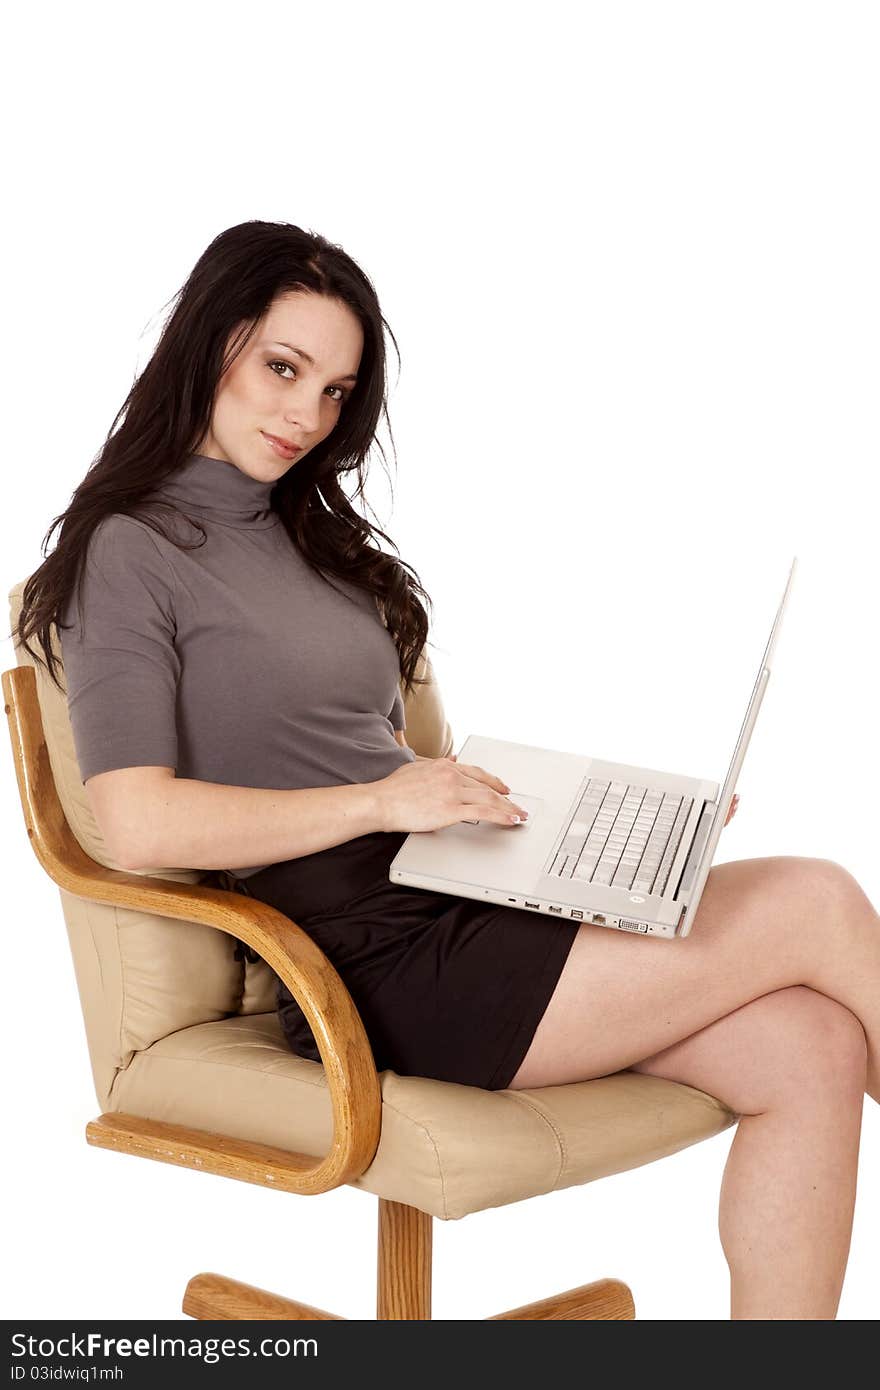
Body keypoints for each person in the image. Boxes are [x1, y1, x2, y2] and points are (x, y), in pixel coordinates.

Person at [15, 220, 877, 1321]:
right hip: (367, 965)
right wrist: (385, 798)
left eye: (334, 391)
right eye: (283, 368)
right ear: (210, 341)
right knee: (817, 899)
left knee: (813, 1041)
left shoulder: (312, 541)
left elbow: (377, 759)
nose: (305, 414)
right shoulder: (128, 552)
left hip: (458, 891)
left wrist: (579, 831)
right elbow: (134, 824)